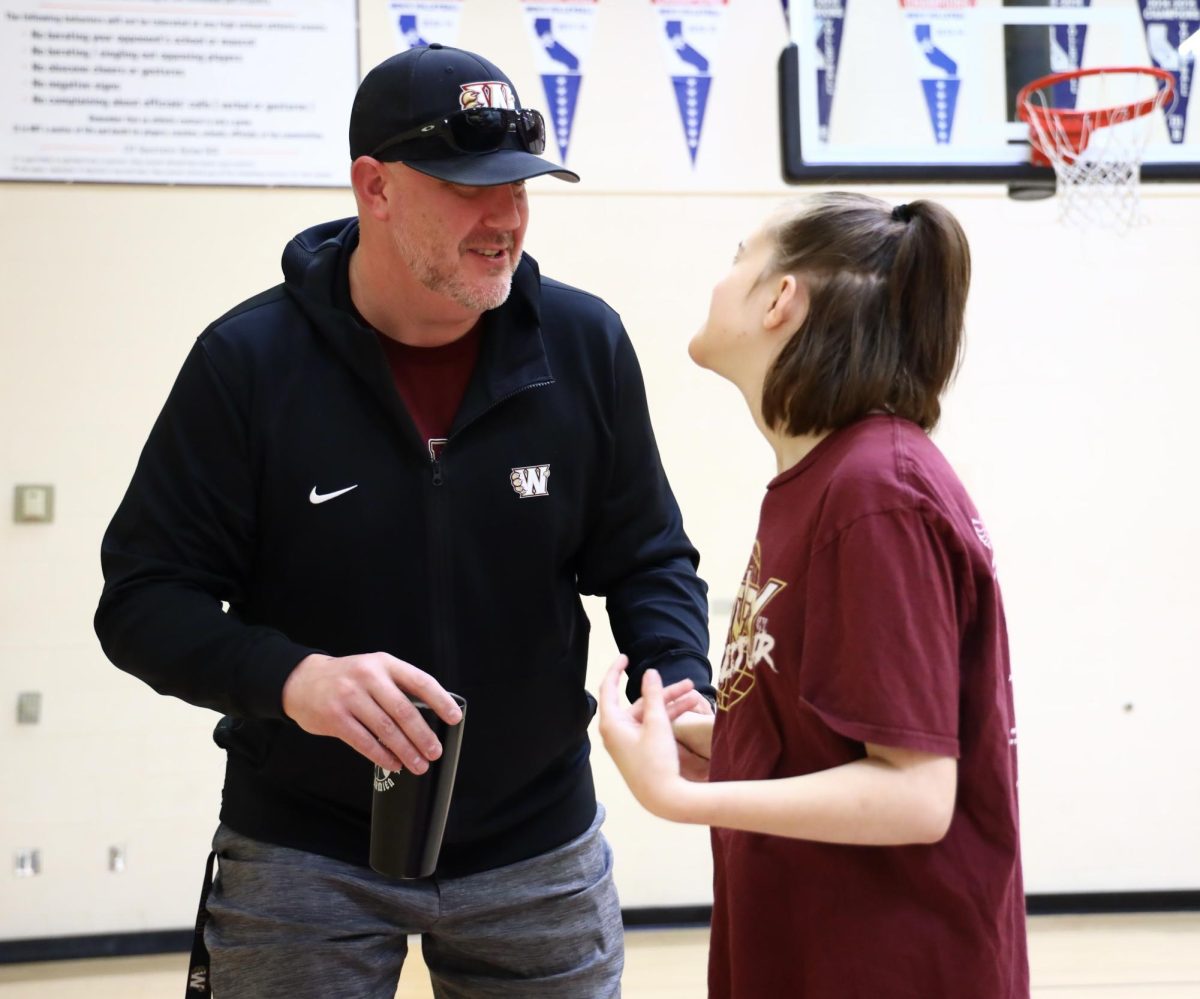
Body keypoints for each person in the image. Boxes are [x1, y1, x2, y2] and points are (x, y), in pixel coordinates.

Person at [94, 43, 713, 999]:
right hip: (303, 850)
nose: (504, 217)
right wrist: (292, 677)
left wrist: (678, 681)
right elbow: (142, 600)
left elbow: (648, 558)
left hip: (538, 849)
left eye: (518, 187)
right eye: (469, 187)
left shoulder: (584, 344)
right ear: (373, 187)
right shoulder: (246, 364)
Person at [599, 193, 1029, 998]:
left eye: (738, 256)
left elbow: (915, 792)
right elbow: (839, 741)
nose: (720, 279)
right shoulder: (827, 479)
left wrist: (671, 797)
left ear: (779, 299)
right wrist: (718, 743)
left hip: (886, 968)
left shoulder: (876, 493)